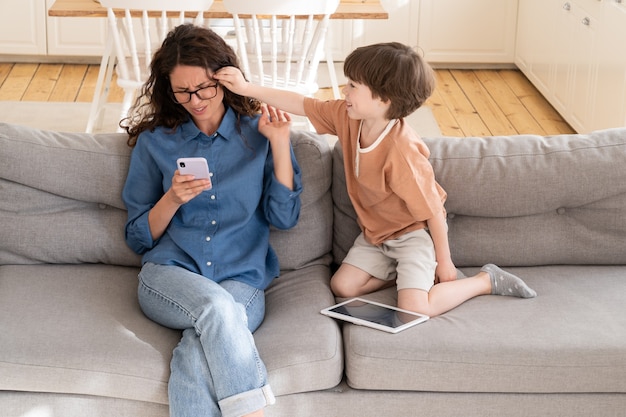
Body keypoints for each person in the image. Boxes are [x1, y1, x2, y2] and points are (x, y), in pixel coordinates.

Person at [215, 41, 536, 318]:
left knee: (416, 309)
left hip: (412, 237)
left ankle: (484, 281)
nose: (345, 90)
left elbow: (434, 212)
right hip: (376, 237)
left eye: (354, 85)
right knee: (342, 286)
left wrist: (445, 263)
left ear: (384, 100)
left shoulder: (402, 151)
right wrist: (246, 88)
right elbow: (302, 104)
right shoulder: (348, 116)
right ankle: (407, 276)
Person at [121, 24, 302, 417]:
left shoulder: (262, 134)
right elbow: (138, 238)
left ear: (226, 79)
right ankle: (253, 411)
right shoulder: (156, 142)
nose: (196, 100)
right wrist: (171, 199)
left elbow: (283, 218)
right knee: (217, 310)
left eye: (205, 87)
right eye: (183, 91)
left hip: (242, 280)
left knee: (196, 350)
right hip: (170, 275)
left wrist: (281, 144)